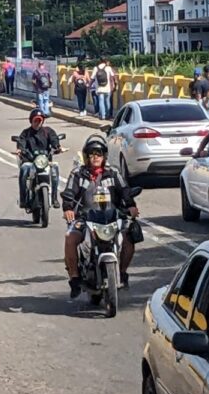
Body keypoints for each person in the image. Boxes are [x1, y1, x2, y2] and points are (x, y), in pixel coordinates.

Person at [62, 134, 139, 297]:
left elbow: (125, 191)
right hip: (85, 218)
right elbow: (69, 192)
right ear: (86, 156)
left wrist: (131, 205)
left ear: (104, 156)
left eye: (99, 153)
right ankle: (74, 278)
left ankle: (123, 273)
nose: (95, 157)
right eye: (92, 153)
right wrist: (68, 208)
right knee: (70, 237)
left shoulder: (113, 173)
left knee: (130, 236)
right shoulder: (77, 174)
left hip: (112, 218)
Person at [16, 108, 62, 209]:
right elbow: (21, 142)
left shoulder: (48, 131)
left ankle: (54, 198)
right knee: (23, 169)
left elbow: (54, 140)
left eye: (40, 120)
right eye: (35, 120)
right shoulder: (26, 133)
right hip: (30, 161)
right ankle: (23, 198)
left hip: (45, 161)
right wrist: (20, 149)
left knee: (55, 168)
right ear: (31, 121)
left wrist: (57, 147)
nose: (38, 123)